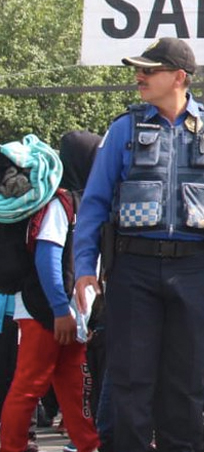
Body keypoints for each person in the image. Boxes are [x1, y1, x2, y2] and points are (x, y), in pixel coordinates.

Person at [74, 38, 204, 452]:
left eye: (148, 70)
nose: (139, 77)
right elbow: (94, 204)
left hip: (193, 270)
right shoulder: (123, 129)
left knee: (185, 384)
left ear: (179, 77)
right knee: (129, 383)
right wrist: (85, 265)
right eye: (139, 70)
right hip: (132, 271)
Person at [0, 132, 102, 452]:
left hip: (64, 314)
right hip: (44, 311)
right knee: (28, 387)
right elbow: (47, 258)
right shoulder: (62, 202)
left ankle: (89, 445)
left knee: (75, 388)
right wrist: (60, 310)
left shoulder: (78, 200)